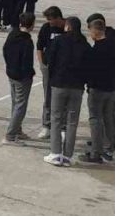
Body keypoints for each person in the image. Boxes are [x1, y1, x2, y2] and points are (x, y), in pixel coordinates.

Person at [44, 16, 90, 167]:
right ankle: (68, 155)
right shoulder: (85, 45)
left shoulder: (59, 41)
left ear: (68, 27)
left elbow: (49, 60)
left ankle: (56, 153)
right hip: (77, 87)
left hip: (59, 84)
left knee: (56, 119)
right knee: (72, 122)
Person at [83, 17, 115, 163]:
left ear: (95, 31)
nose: (89, 34)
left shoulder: (97, 50)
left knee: (95, 119)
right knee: (108, 116)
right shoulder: (114, 44)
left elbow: (92, 72)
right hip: (111, 87)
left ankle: (96, 152)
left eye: (90, 31)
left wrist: (89, 85)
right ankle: (108, 148)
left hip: (98, 89)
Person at [3, 12, 36, 144]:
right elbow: (27, 62)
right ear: (32, 25)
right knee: (20, 105)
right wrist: (28, 74)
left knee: (15, 103)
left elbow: (5, 50)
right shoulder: (27, 41)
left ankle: (17, 129)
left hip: (11, 73)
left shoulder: (12, 35)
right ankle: (10, 135)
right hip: (22, 77)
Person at [36, 6, 66, 139]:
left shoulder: (67, 28)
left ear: (58, 18)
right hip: (49, 67)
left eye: (51, 20)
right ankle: (46, 125)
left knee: (63, 98)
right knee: (48, 97)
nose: (49, 22)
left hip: (63, 69)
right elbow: (39, 46)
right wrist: (42, 64)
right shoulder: (46, 28)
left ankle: (62, 127)